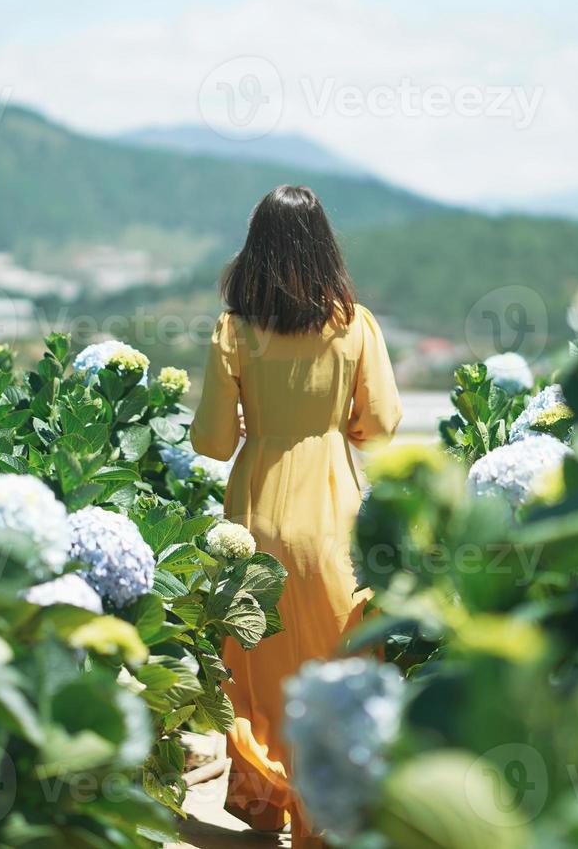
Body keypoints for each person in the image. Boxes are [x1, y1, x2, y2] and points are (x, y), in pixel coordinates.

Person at [191, 184, 402, 846]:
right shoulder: (355, 324)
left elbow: (213, 442)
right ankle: (331, 815)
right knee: (336, 662)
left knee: (260, 675)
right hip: (335, 511)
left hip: (257, 516)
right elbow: (383, 424)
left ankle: (271, 797)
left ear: (254, 248)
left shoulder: (234, 329)